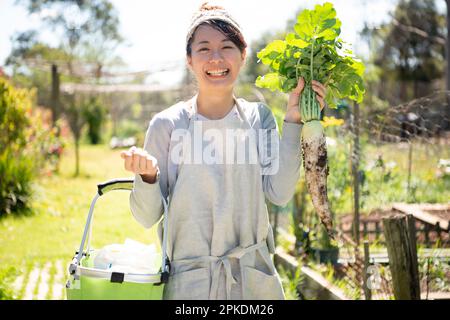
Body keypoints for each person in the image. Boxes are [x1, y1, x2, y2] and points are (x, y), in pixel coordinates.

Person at [120, 2, 326, 300]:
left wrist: (294, 120)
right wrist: (148, 177)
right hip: (189, 286)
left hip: (254, 284)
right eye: (203, 48)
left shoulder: (259, 118)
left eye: (226, 46)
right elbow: (145, 216)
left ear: (243, 56)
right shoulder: (167, 124)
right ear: (189, 60)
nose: (216, 58)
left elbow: (279, 193)